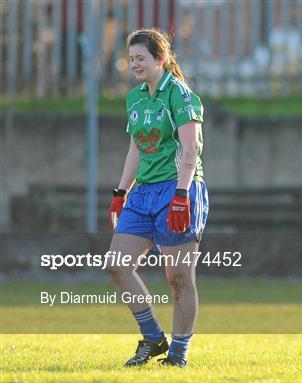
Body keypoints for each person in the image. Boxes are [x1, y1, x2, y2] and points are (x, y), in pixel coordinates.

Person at [107, 28, 209, 367]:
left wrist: (182, 195)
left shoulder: (179, 94)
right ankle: (153, 337)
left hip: (177, 189)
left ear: (160, 59)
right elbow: (135, 148)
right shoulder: (135, 98)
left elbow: (192, 148)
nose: (134, 64)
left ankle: (178, 354)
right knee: (117, 265)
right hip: (143, 193)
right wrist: (122, 191)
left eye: (141, 58)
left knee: (178, 278)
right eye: (131, 58)